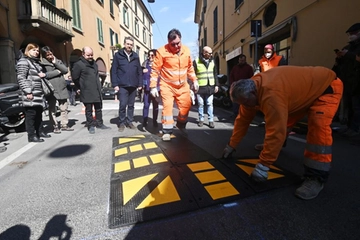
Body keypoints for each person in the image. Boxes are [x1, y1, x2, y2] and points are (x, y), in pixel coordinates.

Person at [222, 66, 343, 200]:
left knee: (318, 126)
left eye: (245, 103)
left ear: (253, 93)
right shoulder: (248, 93)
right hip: (301, 94)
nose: (245, 107)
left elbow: (276, 131)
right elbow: (242, 121)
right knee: (282, 120)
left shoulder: (271, 94)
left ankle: (316, 177)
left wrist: (263, 165)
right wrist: (231, 145)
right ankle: (274, 147)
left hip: (326, 88)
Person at [149, 28, 199, 141]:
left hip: (182, 85)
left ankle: (181, 124)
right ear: (168, 42)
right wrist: (153, 86)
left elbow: (190, 67)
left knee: (186, 107)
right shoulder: (162, 52)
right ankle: (167, 130)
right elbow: (155, 70)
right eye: (173, 44)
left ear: (181, 40)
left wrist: (194, 80)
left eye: (178, 43)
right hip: (167, 85)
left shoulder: (186, 50)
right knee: (167, 107)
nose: (176, 46)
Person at [17, 43, 51, 142]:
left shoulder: (35, 62)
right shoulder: (23, 62)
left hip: (38, 92)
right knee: (31, 115)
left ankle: (40, 132)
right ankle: (32, 136)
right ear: (28, 51)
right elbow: (21, 78)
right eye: (33, 50)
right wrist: (28, 91)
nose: (36, 52)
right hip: (30, 92)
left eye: (37, 50)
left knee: (38, 114)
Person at [71, 46, 110, 134]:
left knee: (98, 108)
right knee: (88, 110)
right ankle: (90, 125)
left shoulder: (95, 64)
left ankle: (100, 123)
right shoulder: (79, 64)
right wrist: (80, 87)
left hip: (96, 90)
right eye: (88, 55)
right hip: (86, 90)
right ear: (83, 54)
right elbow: (75, 78)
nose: (90, 57)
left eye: (91, 55)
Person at [111, 36, 143, 132]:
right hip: (122, 85)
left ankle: (129, 121)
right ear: (124, 44)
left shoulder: (136, 56)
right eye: (128, 44)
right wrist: (115, 84)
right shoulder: (118, 55)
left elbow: (139, 71)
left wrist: (140, 84)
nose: (129, 46)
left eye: (131, 45)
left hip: (133, 85)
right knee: (122, 104)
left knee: (131, 105)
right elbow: (114, 70)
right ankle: (121, 122)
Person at [335, 23, 360, 138]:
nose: (351, 36)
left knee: (357, 107)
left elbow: (356, 58)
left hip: (357, 83)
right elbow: (340, 65)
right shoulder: (347, 48)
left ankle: (356, 129)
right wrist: (339, 58)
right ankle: (350, 127)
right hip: (347, 82)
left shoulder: (352, 50)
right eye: (349, 34)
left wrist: (348, 55)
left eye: (353, 33)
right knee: (349, 106)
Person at [41, 46, 74, 133]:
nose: (50, 56)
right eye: (47, 55)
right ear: (44, 55)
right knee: (52, 109)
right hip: (51, 88)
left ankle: (64, 124)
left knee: (64, 108)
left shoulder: (58, 61)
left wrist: (55, 63)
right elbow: (44, 74)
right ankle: (54, 125)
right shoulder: (42, 63)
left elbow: (65, 70)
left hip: (61, 88)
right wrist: (57, 72)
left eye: (51, 54)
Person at [192, 46, 219, 128]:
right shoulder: (196, 61)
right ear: (204, 53)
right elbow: (192, 74)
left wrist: (217, 85)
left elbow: (215, 74)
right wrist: (193, 85)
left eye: (211, 53)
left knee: (209, 103)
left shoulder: (213, 61)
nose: (211, 54)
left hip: (210, 87)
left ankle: (211, 120)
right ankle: (201, 120)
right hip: (200, 87)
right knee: (200, 104)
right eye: (209, 53)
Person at [142, 49, 159, 127]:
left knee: (155, 106)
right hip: (147, 89)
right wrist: (142, 71)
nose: (150, 57)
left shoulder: (159, 65)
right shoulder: (144, 64)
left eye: (152, 55)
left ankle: (154, 121)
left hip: (155, 89)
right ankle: (145, 120)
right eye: (148, 55)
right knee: (146, 105)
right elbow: (140, 74)